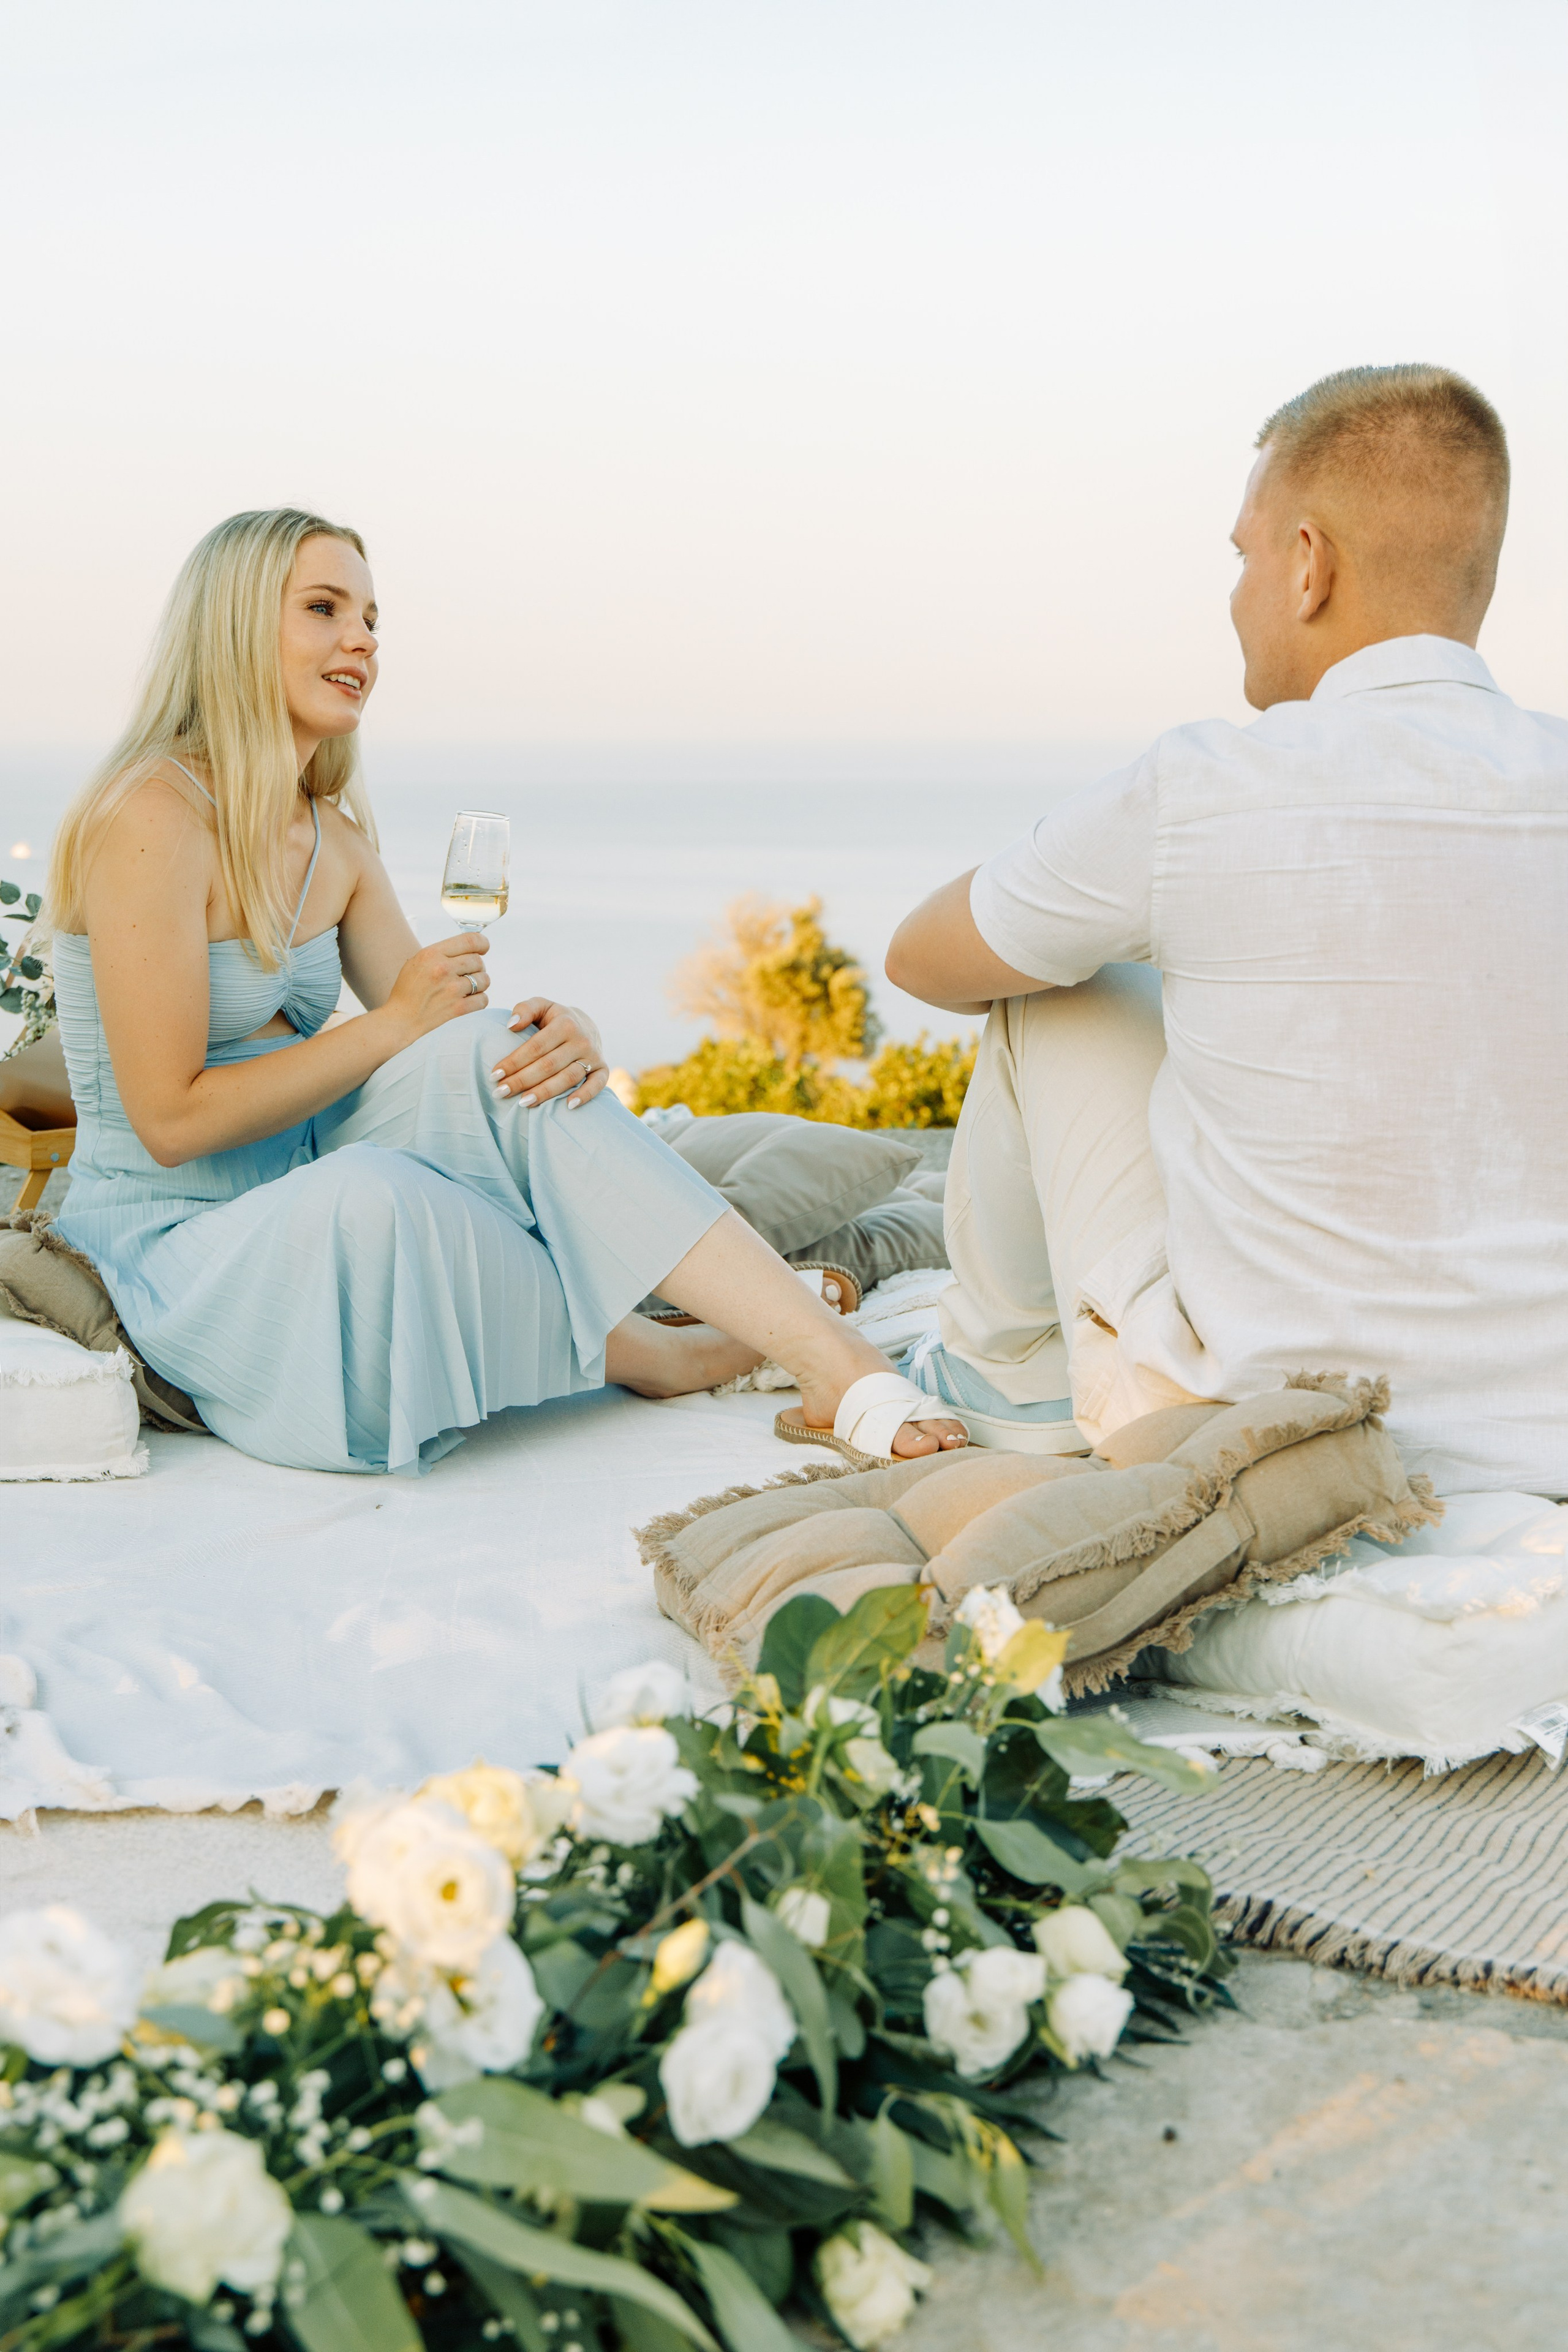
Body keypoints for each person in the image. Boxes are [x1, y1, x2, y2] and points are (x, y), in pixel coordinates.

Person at [45, 508, 965, 1475]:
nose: (362, 640)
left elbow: (449, 1045)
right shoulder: (151, 815)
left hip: (302, 1175)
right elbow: (171, 1121)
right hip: (176, 1241)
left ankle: (831, 1364)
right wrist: (394, 1024)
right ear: (234, 625)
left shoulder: (332, 839)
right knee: (376, 1197)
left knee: (507, 1058)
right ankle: (669, 1355)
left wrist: (566, 1034)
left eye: (371, 619)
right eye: (324, 609)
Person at [887, 364, 1568, 1497]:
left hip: (1253, 1424)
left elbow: (924, 960)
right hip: (1546, 1427)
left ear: (1308, 565)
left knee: (1059, 984)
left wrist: (1103, 897)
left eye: (1243, 554)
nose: (1239, 592)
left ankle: (998, 1379)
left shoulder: (1208, 785)